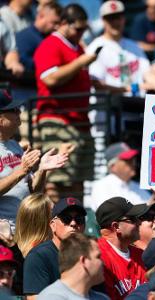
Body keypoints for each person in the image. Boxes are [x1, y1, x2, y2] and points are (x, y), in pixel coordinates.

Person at [33, 3, 98, 199]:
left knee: (78, 179)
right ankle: (54, 224)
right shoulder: (50, 44)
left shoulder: (77, 48)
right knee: (56, 179)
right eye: (78, 29)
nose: (81, 33)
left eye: (84, 29)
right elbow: (49, 78)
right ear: (63, 24)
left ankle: (74, 225)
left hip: (79, 121)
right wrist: (81, 62)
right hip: (58, 120)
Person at [0, 90, 68, 227]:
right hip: (6, 232)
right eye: (13, 110)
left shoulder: (13, 145)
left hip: (27, 228)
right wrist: (22, 171)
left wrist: (42, 170)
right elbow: (21, 173)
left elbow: (33, 190)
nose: (19, 112)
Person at [23, 197, 87, 298]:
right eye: (66, 219)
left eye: (79, 219)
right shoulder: (39, 256)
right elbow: (34, 298)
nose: (73, 223)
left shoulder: (90, 254)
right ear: (53, 225)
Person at [86, 0, 152, 95]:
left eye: (118, 17)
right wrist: (131, 89)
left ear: (124, 18)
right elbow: (97, 84)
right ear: (103, 21)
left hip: (137, 105)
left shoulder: (133, 46)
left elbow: (148, 74)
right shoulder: (95, 48)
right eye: (111, 18)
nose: (115, 22)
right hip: (108, 106)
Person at [95, 197, 150, 299]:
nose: (139, 222)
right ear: (116, 226)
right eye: (133, 219)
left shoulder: (140, 255)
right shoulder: (97, 257)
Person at [37, 233, 108, 299]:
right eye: (98, 257)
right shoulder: (52, 297)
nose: (103, 263)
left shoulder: (102, 298)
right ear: (83, 261)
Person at [88, 142, 151, 211]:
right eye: (127, 160)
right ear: (113, 167)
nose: (133, 163)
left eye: (133, 159)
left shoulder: (138, 187)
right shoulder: (101, 186)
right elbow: (111, 215)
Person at [16, 2, 62, 71]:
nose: (57, 27)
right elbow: (23, 60)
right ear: (41, 16)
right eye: (54, 23)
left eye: (58, 23)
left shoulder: (51, 38)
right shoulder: (25, 36)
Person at [14, 193, 53, 257]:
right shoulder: (40, 251)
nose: (58, 215)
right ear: (43, 219)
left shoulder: (15, 248)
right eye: (53, 211)